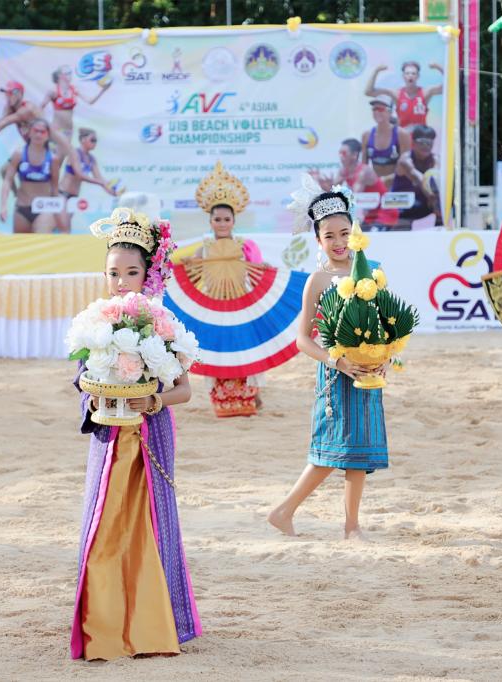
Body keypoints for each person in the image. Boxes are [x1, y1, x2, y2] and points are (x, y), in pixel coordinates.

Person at [70, 207, 200, 661]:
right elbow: (82, 381)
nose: (121, 281)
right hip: (108, 439)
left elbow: (184, 388)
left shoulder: (163, 324)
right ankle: (102, 626)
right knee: (106, 525)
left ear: (148, 273)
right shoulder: (96, 322)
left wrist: (156, 401)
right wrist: (92, 395)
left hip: (150, 434)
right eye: (113, 273)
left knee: (149, 525)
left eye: (131, 272)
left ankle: (152, 625)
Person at [268, 187, 387, 540]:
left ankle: (351, 526)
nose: (338, 242)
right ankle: (284, 510)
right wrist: (335, 360)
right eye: (329, 236)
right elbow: (303, 339)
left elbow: (387, 322)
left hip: (367, 371)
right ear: (318, 240)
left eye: (344, 234)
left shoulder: (374, 271)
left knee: (360, 451)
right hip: (336, 375)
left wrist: (384, 356)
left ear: (356, 232)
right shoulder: (316, 281)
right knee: (332, 449)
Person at [178, 161, 266, 417]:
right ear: (210, 221)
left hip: (240, 305)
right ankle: (222, 401)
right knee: (219, 353)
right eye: (217, 219)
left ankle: (251, 397)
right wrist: (185, 268)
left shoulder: (244, 246)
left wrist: (265, 268)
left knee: (243, 352)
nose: (222, 223)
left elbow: (257, 271)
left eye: (226, 219)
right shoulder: (202, 249)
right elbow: (190, 278)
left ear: (234, 220)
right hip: (213, 306)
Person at [0, 118, 64, 233]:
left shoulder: (53, 159)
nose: (38, 134)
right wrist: (3, 206)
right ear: (29, 132)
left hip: (44, 207)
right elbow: (7, 180)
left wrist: (59, 213)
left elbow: (55, 188)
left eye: (42, 132)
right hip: (22, 208)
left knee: (41, 242)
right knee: (22, 246)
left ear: (48, 135)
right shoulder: (18, 154)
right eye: (36, 131)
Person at [57, 127, 119, 232]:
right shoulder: (74, 153)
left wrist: (112, 192)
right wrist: (102, 183)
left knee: (65, 228)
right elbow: (79, 175)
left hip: (73, 197)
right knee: (64, 228)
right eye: (92, 140)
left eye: (96, 141)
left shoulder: (91, 159)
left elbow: (99, 178)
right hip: (62, 194)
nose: (95, 143)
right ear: (83, 140)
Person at [364, 61, 444, 129]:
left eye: (413, 73)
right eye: (407, 73)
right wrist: (376, 71)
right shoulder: (396, 93)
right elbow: (369, 92)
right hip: (403, 138)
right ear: (403, 76)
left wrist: (439, 67)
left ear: (418, 76)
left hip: (420, 137)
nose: (410, 76)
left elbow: (449, 88)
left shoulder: (425, 92)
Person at [40, 65, 111, 139]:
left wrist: (103, 90)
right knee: (55, 150)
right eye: (67, 73)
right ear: (60, 75)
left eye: (70, 73)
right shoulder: (53, 91)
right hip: (56, 129)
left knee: (65, 150)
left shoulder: (74, 89)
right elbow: (41, 107)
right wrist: (44, 124)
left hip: (68, 130)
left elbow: (90, 101)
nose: (70, 75)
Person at [392, 124, 442, 229]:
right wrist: (432, 196)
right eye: (422, 142)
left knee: (442, 202)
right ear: (413, 143)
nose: (426, 146)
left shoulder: (435, 160)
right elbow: (420, 180)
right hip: (402, 205)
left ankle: (439, 233)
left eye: (429, 143)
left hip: (423, 204)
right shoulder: (405, 160)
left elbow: (437, 181)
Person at [360, 93, 409, 187]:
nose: (377, 112)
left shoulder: (402, 134)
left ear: (390, 112)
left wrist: (382, 181)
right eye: (374, 109)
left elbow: (404, 168)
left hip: (397, 185)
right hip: (375, 185)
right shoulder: (366, 135)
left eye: (381, 109)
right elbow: (364, 167)